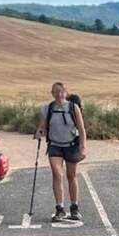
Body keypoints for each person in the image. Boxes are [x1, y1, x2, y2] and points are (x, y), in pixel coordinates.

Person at [34, 82, 87, 223]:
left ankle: (74, 207)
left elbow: (81, 129)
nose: (59, 94)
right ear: (52, 93)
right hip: (54, 146)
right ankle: (60, 208)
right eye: (56, 92)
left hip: (71, 145)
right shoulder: (48, 108)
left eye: (61, 91)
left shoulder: (73, 107)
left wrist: (83, 146)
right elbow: (43, 127)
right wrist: (39, 132)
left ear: (66, 92)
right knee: (57, 175)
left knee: (71, 176)